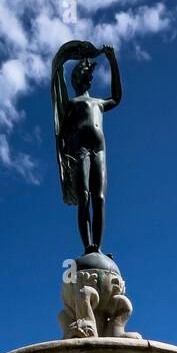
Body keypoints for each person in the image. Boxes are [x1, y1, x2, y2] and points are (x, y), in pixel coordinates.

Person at [51, 41, 122, 254]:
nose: (87, 72)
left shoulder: (99, 103)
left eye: (87, 70)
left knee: (99, 197)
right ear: (76, 79)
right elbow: (62, 131)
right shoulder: (72, 104)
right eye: (82, 70)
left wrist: (113, 61)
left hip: (99, 149)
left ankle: (97, 248)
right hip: (80, 150)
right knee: (84, 196)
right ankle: (87, 247)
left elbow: (117, 97)